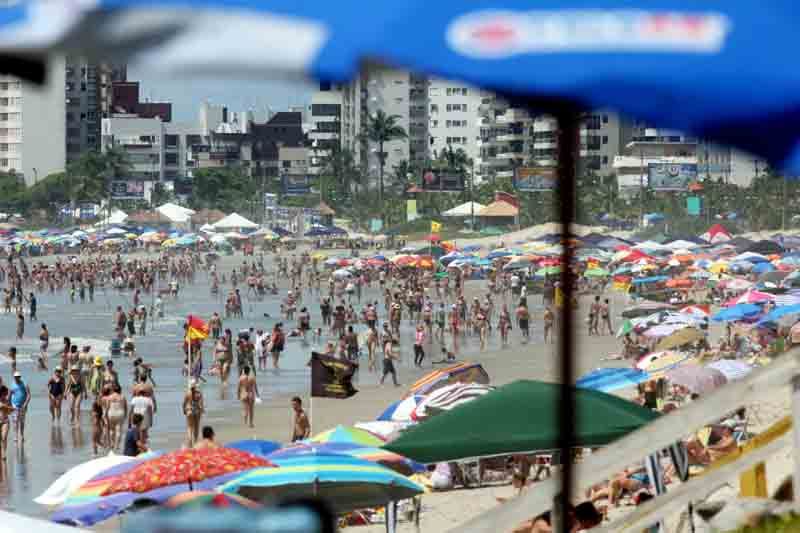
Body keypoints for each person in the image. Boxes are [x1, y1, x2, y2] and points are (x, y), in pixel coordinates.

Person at [104, 384, 127, 451]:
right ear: (120, 390)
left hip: (111, 413)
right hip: (120, 413)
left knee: (111, 430)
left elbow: (107, 407)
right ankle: (117, 446)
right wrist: (125, 415)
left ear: (113, 390)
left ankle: (112, 443)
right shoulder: (122, 397)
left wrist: (105, 415)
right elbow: (125, 407)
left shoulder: (110, 397)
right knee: (118, 430)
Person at [10, 371, 29, 444]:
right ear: (14, 377)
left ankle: (22, 435)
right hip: (14, 405)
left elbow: (29, 395)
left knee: (22, 422)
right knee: (15, 421)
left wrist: (25, 404)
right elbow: (10, 394)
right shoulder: (12, 384)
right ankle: (16, 436)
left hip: (23, 406)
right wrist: (9, 405)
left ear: (20, 377)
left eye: (18, 377)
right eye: (15, 377)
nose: (16, 378)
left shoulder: (24, 384)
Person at [183, 381, 204, 446]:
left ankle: (190, 443)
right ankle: (195, 442)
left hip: (189, 411)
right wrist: (202, 410)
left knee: (189, 428)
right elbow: (201, 405)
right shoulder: (199, 394)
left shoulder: (187, 393)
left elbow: (184, 403)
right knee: (196, 427)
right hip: (197, 411)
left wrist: (184, 410)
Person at [0, 386, 13, 461]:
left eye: (6, 394)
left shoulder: (7, 401)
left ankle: (3, 452)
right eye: (5, 394)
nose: (6, 395)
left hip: (5, 421)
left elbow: (10, 412)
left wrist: (8, 408)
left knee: (4, 437)